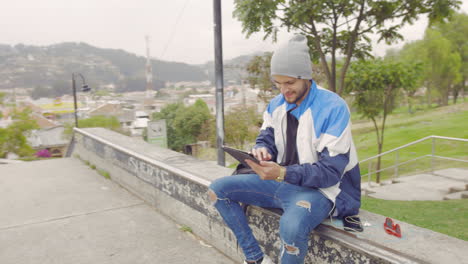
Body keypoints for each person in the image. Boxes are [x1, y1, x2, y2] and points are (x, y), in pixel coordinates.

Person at [208, 35, 361, 264]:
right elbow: (266, 135)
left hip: (321, 190)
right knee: (217, 190)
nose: (283, 90)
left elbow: (329, 172)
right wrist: (262, 149)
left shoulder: (334, 107)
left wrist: (282, 173)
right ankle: (256, 259)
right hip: (281, 181)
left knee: (291, 226)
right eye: (278, 83)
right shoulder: (276, 104)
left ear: (306, 77)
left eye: (289, 83)